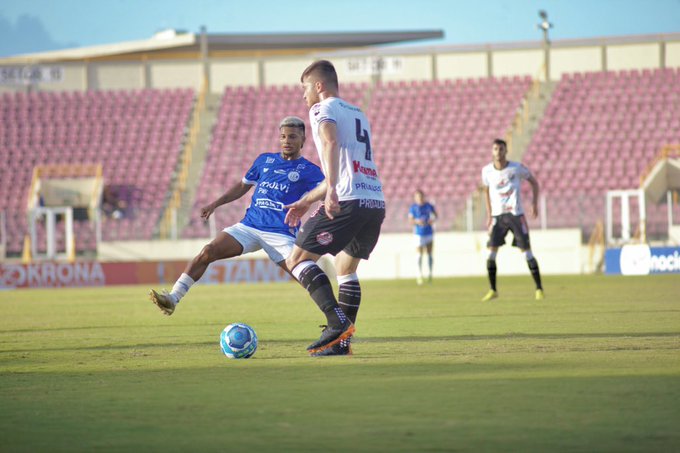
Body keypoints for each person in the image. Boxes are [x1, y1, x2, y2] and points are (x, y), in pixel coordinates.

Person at [149, 116, 324, 315]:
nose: (287, 141)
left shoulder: (310, 171)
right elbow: (243, 186)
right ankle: (173, 298)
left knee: (304, 275)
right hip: (249, 226)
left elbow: (327, 193)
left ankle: (337, 318)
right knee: (208, 251)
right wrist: (216, 204)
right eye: (283, 136)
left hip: (281, 232)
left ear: (303, 139)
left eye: (292, 137)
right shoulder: (264, 160)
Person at [283, 60, 386, 356]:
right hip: (374, 201)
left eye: (305, 89)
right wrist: (307, 200)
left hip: (348, 200)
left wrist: (332, 194)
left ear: (318, 86)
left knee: (297, 259)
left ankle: (336, 322)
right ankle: (341, 344)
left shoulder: (321, 109)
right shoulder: (358, 113)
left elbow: (330, 143)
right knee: (345, 268)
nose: (303, 97)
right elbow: (344, 166)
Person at [481, 138, 544, 302]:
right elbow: (486, 192)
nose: (498, 152)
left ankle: (539, 288)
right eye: (495, 149)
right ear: (492, 151)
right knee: (491, 254)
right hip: (497, 217)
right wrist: (489, 214)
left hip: (516, 215)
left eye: (501, 149)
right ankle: (493, 290)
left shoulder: (516, 168)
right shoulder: (487, 171)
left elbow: (534, 183)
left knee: (527, 253)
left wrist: (534, 204)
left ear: (506, 151)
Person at [408, 189, 438, 285]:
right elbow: (411, 220)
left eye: (420, 196)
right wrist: (417, 222)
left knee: (429, 254)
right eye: (417, 197)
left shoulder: (429, 205)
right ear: (415, 198)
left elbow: (436, 216)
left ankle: (430, 274)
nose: (419, 198)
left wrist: (432, 220)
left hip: (429, 232)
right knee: (419, 255)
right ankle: (419, 275)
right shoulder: (413, 207)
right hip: (418, 233)